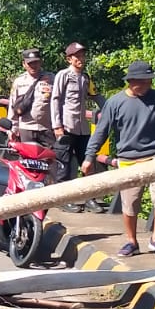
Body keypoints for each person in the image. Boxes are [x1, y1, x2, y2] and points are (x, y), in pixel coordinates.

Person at [83, 60, 155, 259]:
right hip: (128, 158)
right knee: (130, 204)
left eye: (149, 81)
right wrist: (89, 156)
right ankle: (131, 241)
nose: (146, 85)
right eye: (142, 82)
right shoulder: (115, 102)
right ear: (131, 81)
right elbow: (102, 131)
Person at [51, 42, 101, 196]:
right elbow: (55, 100)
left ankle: (90, 197)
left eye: (82, 55)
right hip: (66, 126)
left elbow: (96, 96)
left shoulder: (86, 77)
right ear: (69, 59)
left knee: (87, 162)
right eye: (77, 56)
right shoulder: (63, 75)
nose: (81, 59)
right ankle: (63, 198)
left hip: (82, 128)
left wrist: (112, 110)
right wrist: (57, 126)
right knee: (63, 164)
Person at [7, 48, 54, 145]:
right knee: (27, 159)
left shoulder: (51, 79)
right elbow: (13, 106)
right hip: (26, 129)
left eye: (36, 62)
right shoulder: (19, 82)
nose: (33, 66)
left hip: (47, 129)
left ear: (41, 62)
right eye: (30, 63)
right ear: (24, 64)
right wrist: (12, 129)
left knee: (50, 158)